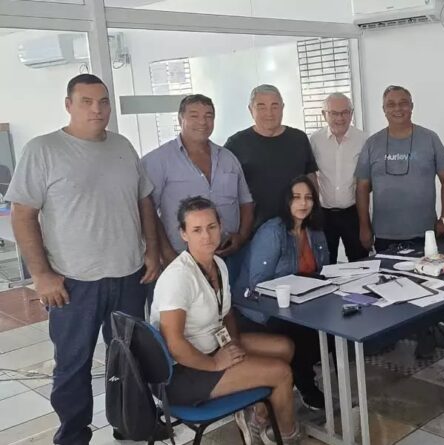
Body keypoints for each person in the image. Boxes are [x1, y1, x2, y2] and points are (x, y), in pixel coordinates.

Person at [5, 74, 160, 445]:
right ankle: (73, 436)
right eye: (86, 101)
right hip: (73, 283)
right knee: (73, 365)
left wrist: (152, 250)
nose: (97, 109)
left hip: (129, 275)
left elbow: (144, 201)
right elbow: (22, 215)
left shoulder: (122, 146)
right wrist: (41, 275)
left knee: (129, 359)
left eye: (103, 101)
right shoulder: (43, 150)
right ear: (68, 105)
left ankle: (131, 424)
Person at [152, 197, 300, 444]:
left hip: (211, 346)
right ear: (184, 234)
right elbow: (174, 345)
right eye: (197, 230)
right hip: (181, 372)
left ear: (220, 226)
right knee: (281, 373)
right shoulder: (178, 277)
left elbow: (227, 313)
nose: (206, 236)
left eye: (211, 227)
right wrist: (215, 363)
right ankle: (286, 436)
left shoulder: (218, 264)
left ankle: (257, 418)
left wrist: (232, 342)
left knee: (285, 347)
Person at [233, 175, 330, 410]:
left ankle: (304, 378)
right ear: (287, 201)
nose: (303, 203)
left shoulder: (315, 230)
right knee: (299, 335)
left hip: (301, 304)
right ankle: (304, 384)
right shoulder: (273, 232)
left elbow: (324, 270)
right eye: (296, 197)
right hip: (261, 309)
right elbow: (258, 284)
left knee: (330, 328)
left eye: (308, 198)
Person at [143, 94, 254, 267]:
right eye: (194, 116)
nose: (202, 122)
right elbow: (147, 211)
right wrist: (166, 253)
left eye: (208, 116)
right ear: (180, 119)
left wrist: (241, 236)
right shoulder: (158, 160)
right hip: (181, 259)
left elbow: (245, 202)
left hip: (228, 257)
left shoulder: (228, 158)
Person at [356, 85, 444, 253]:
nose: (398, 108)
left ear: (411, 106)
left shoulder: (430, 138)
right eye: (391, 104)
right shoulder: (371, 144)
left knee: (427, 271)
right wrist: (364, 226)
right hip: (384, 235)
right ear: (384, 109)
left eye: (403, 103)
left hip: (426, 233)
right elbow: (362, 187)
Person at [225, 84, 318, 230]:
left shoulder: (299, 139)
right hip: (255, 229)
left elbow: (310, 177)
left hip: (297, 226)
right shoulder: (236, 144)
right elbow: (226, 188)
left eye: (275, 106)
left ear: (283, 107)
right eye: (261, 107)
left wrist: (314, 213)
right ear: (250, 109)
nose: (269, 113)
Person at [310, 92, 369, 263]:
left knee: (360, 263)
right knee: (325, 263)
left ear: (352, 113)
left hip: (354, 213)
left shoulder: (364, 140)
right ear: (324, 115)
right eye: (334, 113)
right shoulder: (315, 140)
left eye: (345, 112)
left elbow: (368, 180)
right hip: (324, 214)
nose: (340, 118)